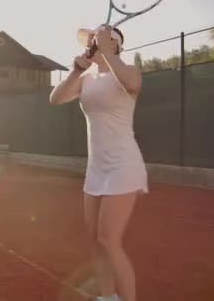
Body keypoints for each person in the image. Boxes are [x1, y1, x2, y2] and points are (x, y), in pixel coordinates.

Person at [49, 25, 147, 301]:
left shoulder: (128, 72)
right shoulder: (87, 78)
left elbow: (133, 84)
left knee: (108, 240)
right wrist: (75, 72)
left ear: (113, 44)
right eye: (91, 40)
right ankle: (108, 296)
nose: (92, 43)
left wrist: (106, 50)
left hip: (123, 165)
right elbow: (55, 99)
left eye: (99, 40)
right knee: (96, 242)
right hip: (97, 169)